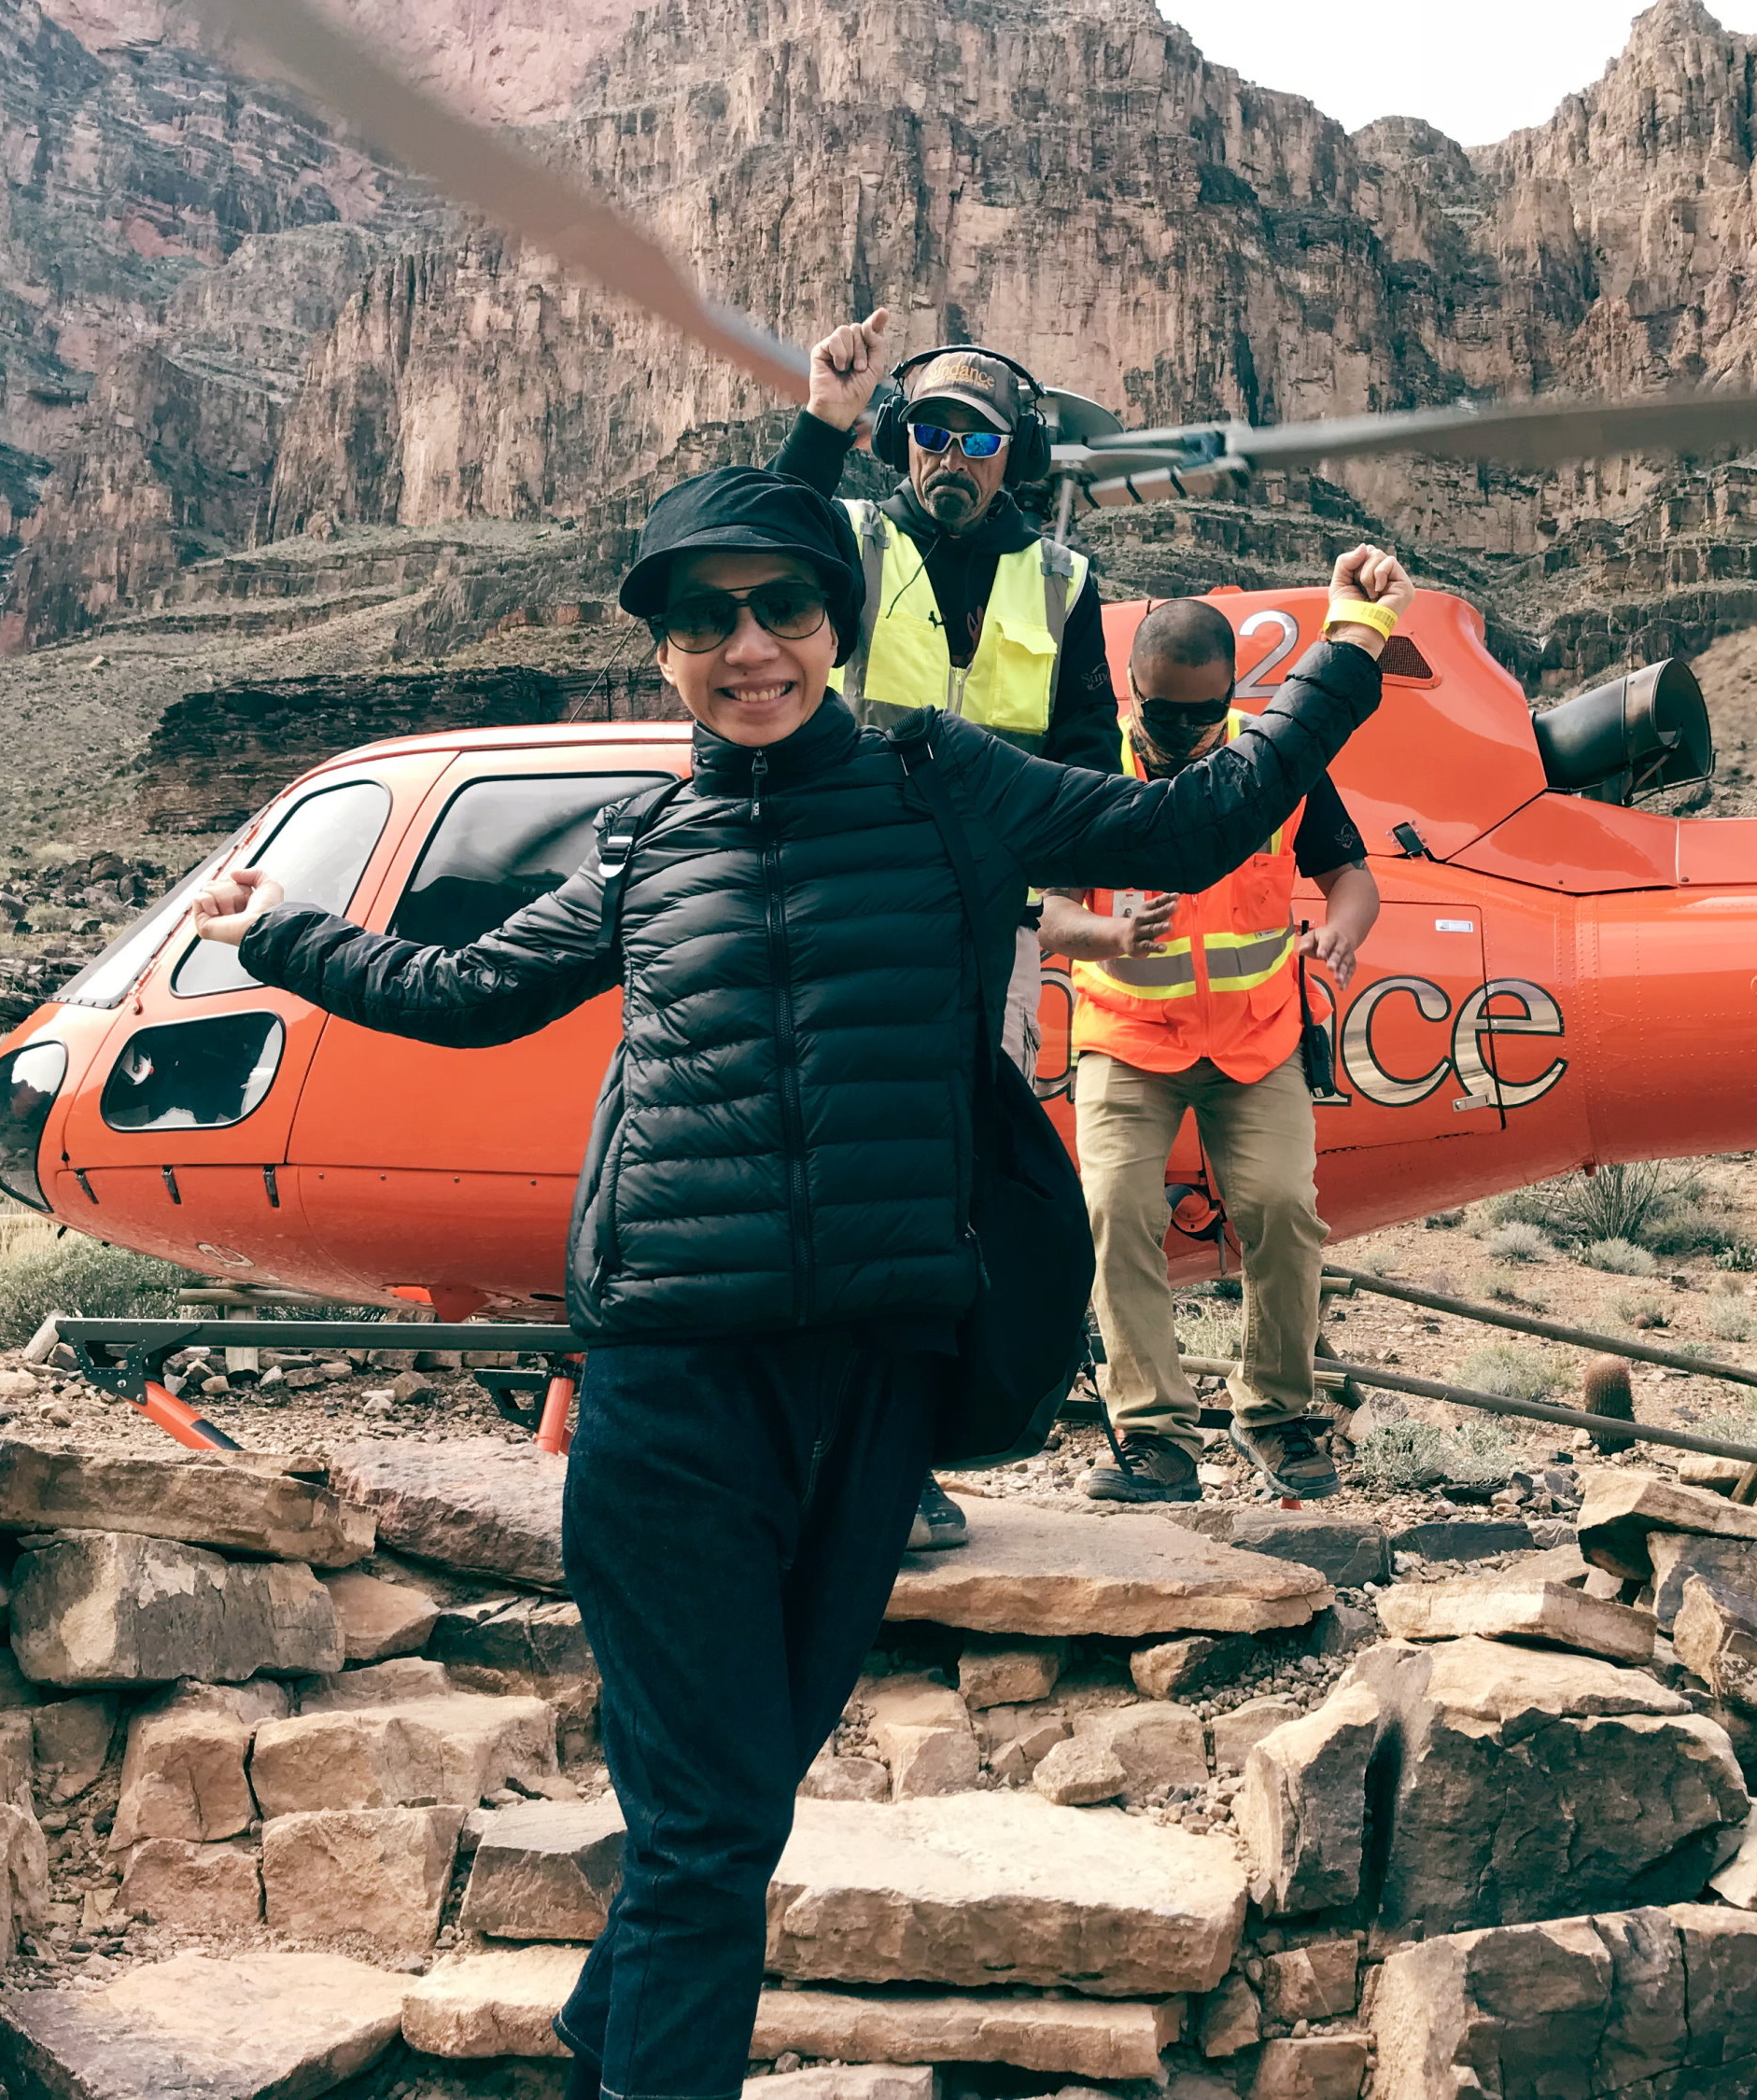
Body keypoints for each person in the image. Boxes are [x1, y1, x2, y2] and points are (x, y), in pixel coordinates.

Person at [186, 462, 1413, 2100]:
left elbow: (1190, 827)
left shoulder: (943, 780)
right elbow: (471, 991)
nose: (747, 645)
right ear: (668, 655)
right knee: (706, 1833)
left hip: (873, 1379)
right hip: (669, 1379)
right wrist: (285, 935)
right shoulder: (647, 840)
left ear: (833, 624)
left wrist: (1346, 645)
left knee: (737, 1808)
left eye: (780, 608)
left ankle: (595, 2050)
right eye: (705, 621)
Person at [778, 310, 1121, 1549]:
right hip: (845, 909)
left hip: (988, 932)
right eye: (928, 429)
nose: (950, 455)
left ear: (1010, 456)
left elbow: (1091, 760)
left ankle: (904, 1452)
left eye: (976, 436)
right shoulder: (855, 545)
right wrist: (823, 420)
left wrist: (1038, 848)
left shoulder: (1064, 581)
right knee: (834, 1178)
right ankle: (811, 1434)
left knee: (951, 1190)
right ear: (899, 444)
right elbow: (764, 544)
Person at [1042, 599, 1383, 1503]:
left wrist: (1343, 932)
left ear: (1232, 697)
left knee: (1280, 1206)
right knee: (1116, 1208)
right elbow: (1047, 911)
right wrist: (1106, 937)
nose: (1189, 736)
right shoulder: (1088, 768)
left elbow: (1352, 875)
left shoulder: (1273, 765)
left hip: (1255, 1039)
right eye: (1166, 715)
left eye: (1207, 715)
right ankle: (1155, 1437)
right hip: (1127, 1036)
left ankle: (1273, 1414)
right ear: (1133, 694)